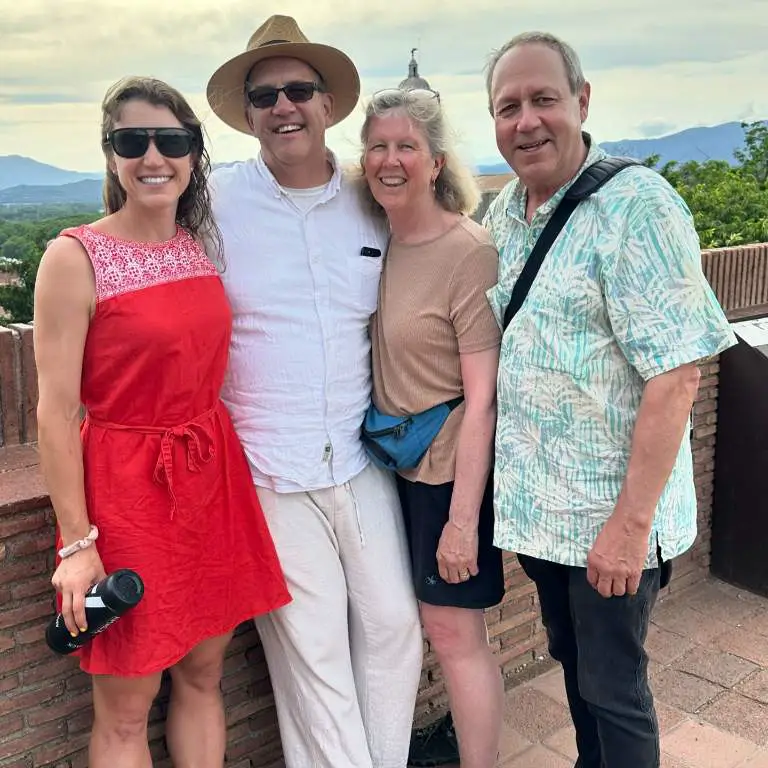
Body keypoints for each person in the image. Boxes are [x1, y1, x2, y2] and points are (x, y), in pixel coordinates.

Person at [481, 32, 738, 768]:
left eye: (542, 100)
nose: (526, 120)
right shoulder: (505, 213)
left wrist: (630, 528)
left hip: (609, 522)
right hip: (542, 516)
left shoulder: (639, 207)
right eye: (508, 107)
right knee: (576, 668)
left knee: (614, 689)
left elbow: (677, 375)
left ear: (581, 101)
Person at [33, 76, 291, 768]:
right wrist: (77, 545)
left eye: (171, 141)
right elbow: (55, 414)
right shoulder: (73, 257)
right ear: (111, 156)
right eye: (132, 141)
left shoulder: (194, 242)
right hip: (124, 499)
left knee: (202, 675)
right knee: (125, 708)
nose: (154, 156)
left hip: (209, 485)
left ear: (193, 154)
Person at [205, 15, 423, 768]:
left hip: (359, 458)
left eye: (298, 89)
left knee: (395, 626)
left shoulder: (374, 202)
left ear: (329, 104)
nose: (282, 106)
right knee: (314, 651)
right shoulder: (213, 202)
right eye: (265, 95)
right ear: (248, 113)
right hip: (266, 465)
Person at [359, 87, 506, 768]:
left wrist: (462, 522)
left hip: (448, 474)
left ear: (437, 161)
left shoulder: (467, 252)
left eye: (406, 147)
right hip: (389, 464)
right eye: (378, 146)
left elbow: (482, 401)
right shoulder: (374, 238)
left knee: (452, 633)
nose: (390, 161)